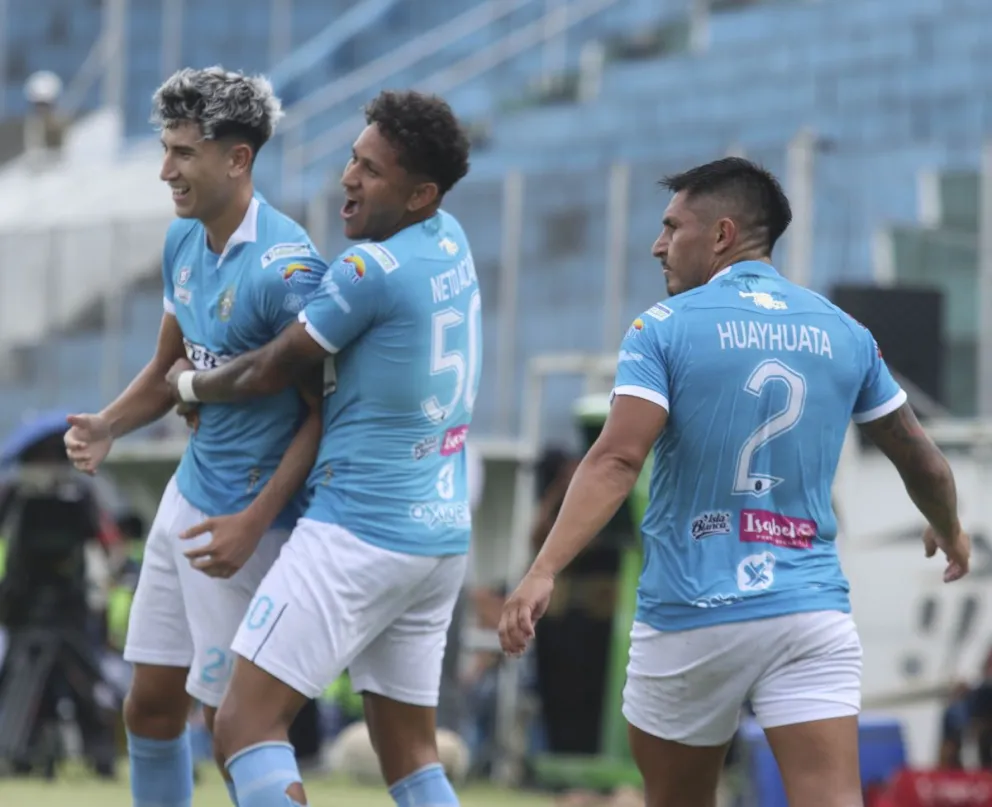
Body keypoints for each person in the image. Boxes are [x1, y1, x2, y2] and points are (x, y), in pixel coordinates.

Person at [498, 156, 971, 807]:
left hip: (693, 613)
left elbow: (615, 460)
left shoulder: (661, 329)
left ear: (721, 235)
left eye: (672, 227)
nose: (657, 244)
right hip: (807, 609)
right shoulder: (846, 332)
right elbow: (921, 459)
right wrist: (950, 528)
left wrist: (544, 567)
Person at [162, 89, 477, 807]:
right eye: (352, 159)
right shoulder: (450, 239)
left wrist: (189, 388)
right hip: (439, 536)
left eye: (371, 170)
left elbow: (271, 369)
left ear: (422, 192)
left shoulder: (368, 274)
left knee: (242, 726)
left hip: (359, 530)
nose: (348, 178)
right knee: (411, 756)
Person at [63, 66, 328, 807]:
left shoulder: (289, 269)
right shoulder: (184, 242)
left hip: (247, 524)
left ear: (236, 158)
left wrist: (255, 520)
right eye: (166, 148)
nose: (164, 170)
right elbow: (169, 367)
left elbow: (321, 414)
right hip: (190, 498)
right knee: (147, 706)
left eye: (182, 152)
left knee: (234, 726)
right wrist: (108, 424)